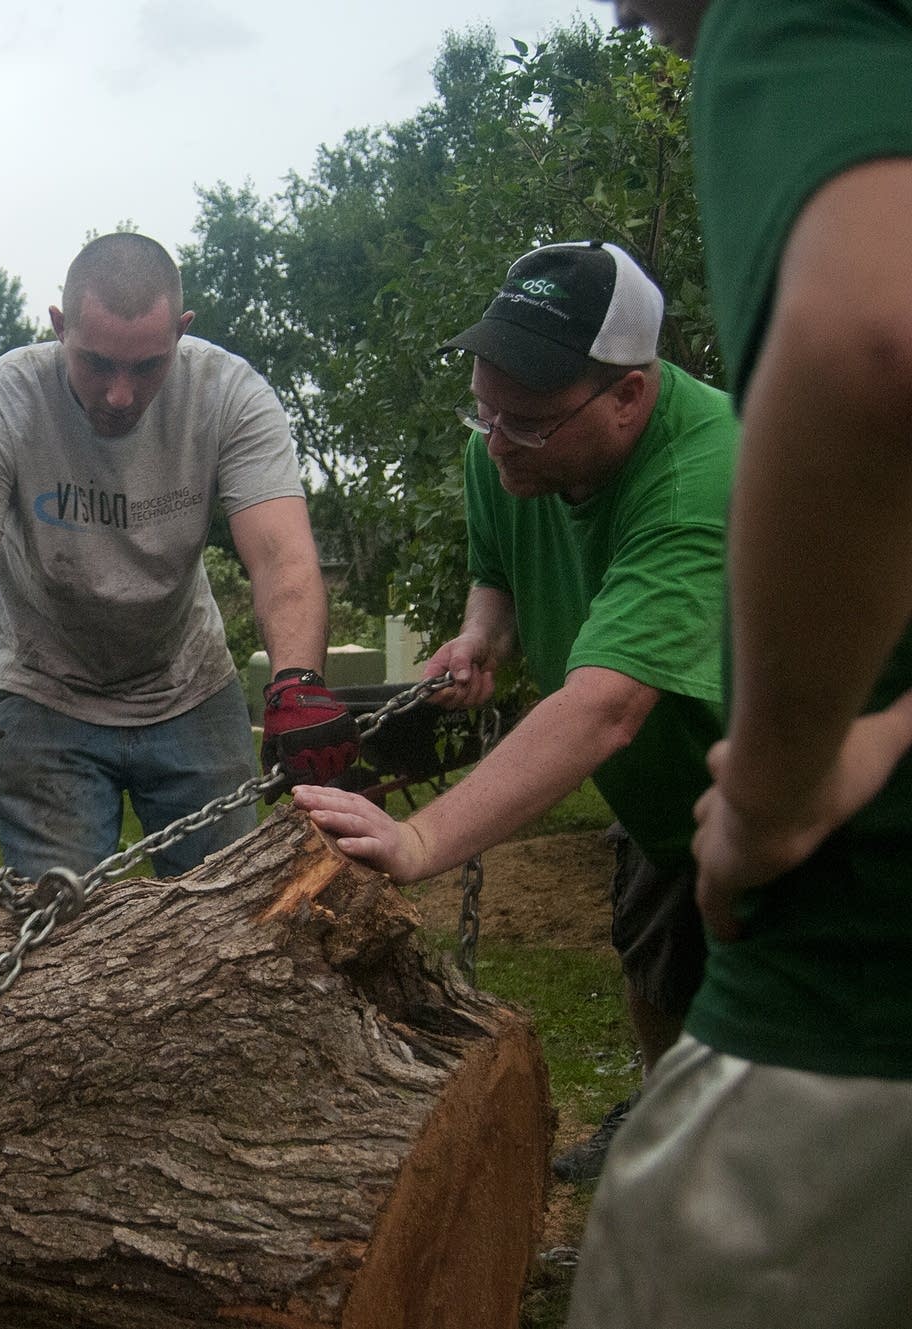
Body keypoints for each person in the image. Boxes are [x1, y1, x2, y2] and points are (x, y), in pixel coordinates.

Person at [559, 2, 912, 1323]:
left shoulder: (789, 22)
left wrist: (776, 787)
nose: (623, 14)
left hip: (854, 1007)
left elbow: (875, 337)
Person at [292, 240, 736, 1181]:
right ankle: (668, 1133)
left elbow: (606, 706)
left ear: (628, 395)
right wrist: (479, 638)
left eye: (525, 422)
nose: (495, 443)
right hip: (662, 797)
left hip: (794, 798)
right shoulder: (501, 448)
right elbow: (497, 572)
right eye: (484, 409)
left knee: (784, 1051)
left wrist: (421, 841)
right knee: (659, 973)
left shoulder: (706, 478)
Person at [0, 231, 354, 883]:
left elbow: (282, 559)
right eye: (97, 363)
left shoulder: (229, 394)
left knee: (227, 923)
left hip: (191, 686)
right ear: (59, 327)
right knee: (59, 938)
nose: (120, 394)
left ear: (181, 332)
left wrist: (296, 678)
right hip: (44, 697)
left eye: (147, 365)